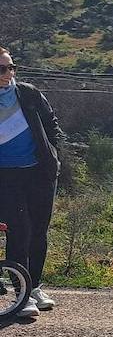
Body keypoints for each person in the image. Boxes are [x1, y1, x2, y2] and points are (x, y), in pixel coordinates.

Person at [0, 48, 64, 318]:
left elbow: (52, 125)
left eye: (11, 67)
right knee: (19, 231)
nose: (8, 74)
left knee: (39, 231)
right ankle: (21, 294)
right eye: (2, 69)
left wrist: (53, 153)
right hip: (6, 177)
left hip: (39, 173)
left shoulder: (29, 94)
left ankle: (34, 286)